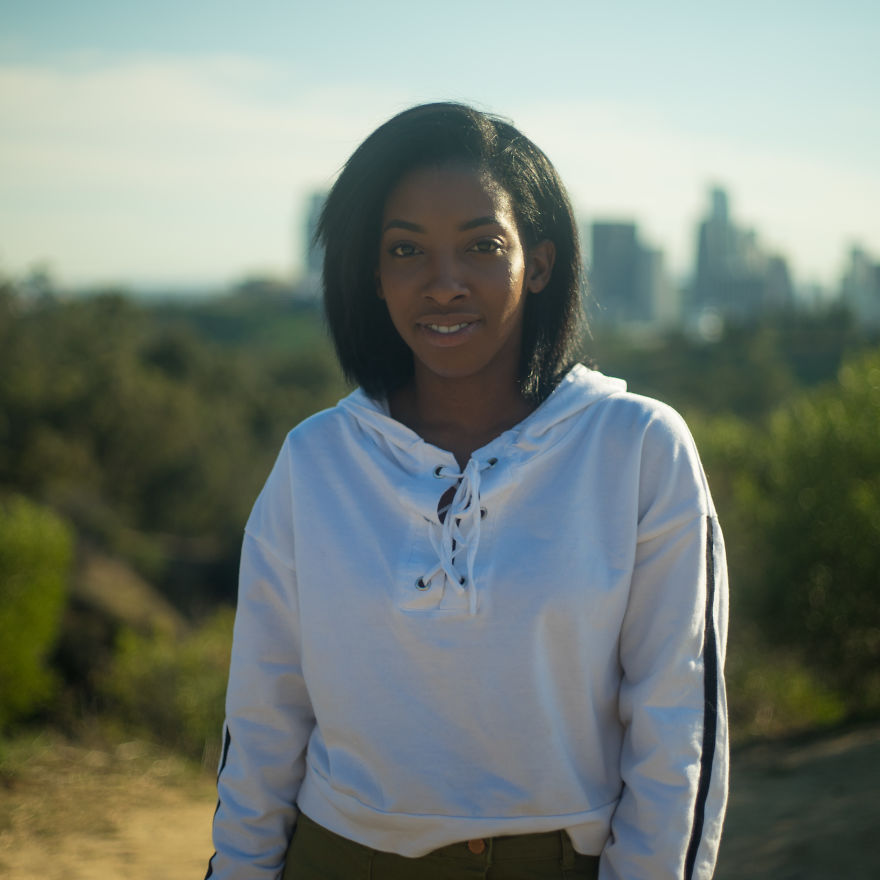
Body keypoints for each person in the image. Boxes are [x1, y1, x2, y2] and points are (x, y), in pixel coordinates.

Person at [205, 102, 728, 880]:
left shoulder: (639, 450)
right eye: (406, 250)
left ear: (539, 262)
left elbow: (677, 725)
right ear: (374, 277)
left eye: (482, 246)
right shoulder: (315, 460)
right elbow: (263, 721)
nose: (443, 284)